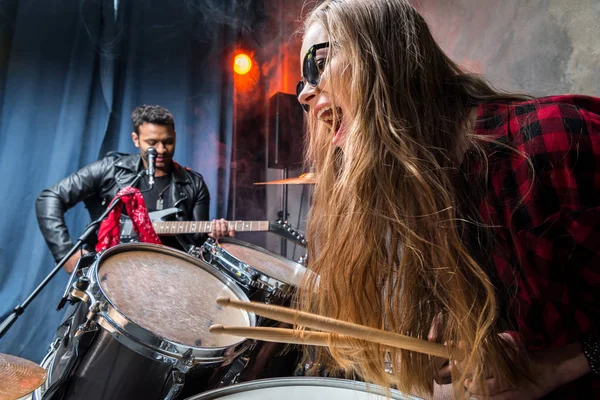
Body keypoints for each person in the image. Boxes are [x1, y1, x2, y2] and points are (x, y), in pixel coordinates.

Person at [295, 0, 600, 398]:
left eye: (316, 66)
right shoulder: (429, 196)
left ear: (385, 60)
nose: (304, 94)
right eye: (301, 82)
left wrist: (557, 366)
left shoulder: (556, 140)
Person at [36, 105, 234, 273]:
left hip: (170, 278)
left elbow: (197, 243)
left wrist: (215, 236)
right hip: (110, 273)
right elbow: (49, 198)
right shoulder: (110, 170)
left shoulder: (194, 184)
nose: (161, 150)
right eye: (152, 143)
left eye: (168, 141)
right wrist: (65, 253)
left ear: (175, 136)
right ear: (135, 139)